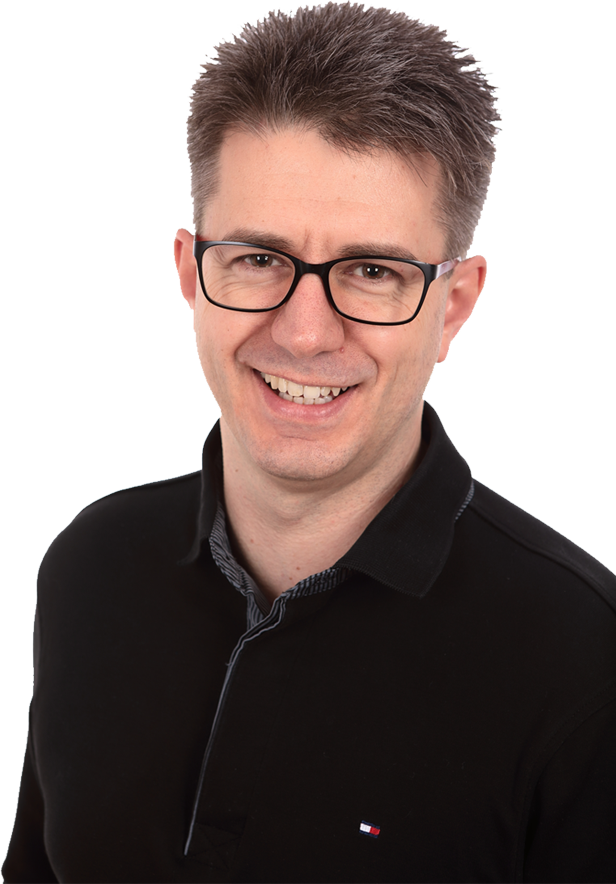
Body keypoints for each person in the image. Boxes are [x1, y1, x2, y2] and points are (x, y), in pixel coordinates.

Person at [3, 3, 615, 882]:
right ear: (190, 270)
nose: (303, 333)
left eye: (372, 271)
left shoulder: (586, 663)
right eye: (258, 258)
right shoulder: (90, 566)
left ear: (456, 305)